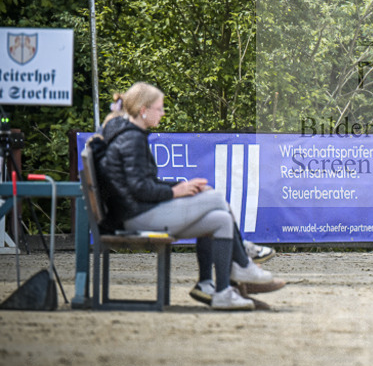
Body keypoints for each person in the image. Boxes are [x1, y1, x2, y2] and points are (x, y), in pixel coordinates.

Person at [96, 82, 284, 311]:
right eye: (159, 108)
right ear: (143, 110)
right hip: (137, 217)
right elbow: (139, 188)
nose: (163, 113)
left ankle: (223, 292)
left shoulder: (128, 135)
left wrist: (183, 186)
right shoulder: (131, 138)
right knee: (216, 198)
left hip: (137, 212)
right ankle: (243, 261)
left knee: (221, 219)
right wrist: (176, 191)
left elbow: (143, 183)